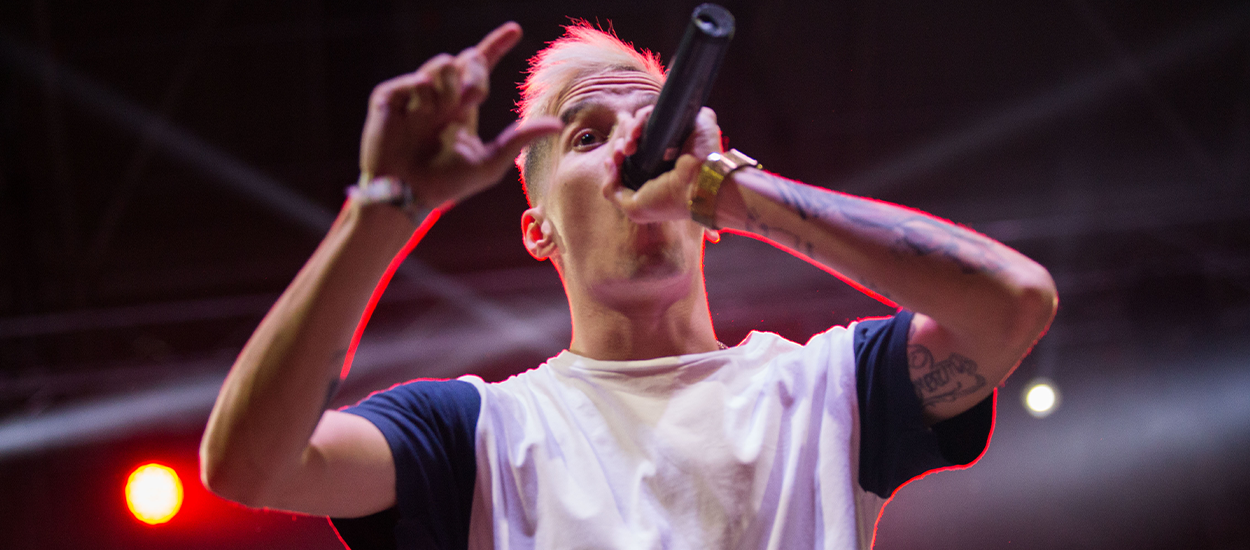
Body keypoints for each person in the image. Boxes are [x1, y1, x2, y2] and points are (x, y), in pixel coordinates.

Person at [200, 20, 1057, 550]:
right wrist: (385, 209)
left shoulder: (827, 387)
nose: (629, 152)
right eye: (587, 137)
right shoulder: (477, 434)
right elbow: (248, 467)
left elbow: (1013, 302)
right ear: (538, 229)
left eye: (652, 130)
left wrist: (737, 192)